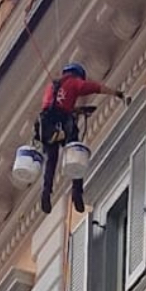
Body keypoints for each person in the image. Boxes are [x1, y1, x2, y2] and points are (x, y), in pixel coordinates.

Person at [36, 63, 124, 215]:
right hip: (62, 121)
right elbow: (96, 88)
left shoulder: (52, 86)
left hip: (45, 124)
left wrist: (74, 110)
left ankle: (46, 192)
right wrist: (116, 93)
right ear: (78, 74)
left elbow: (56, 105)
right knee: (75, 152)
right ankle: (77, 193)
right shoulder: (75, 82)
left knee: (51, 159)